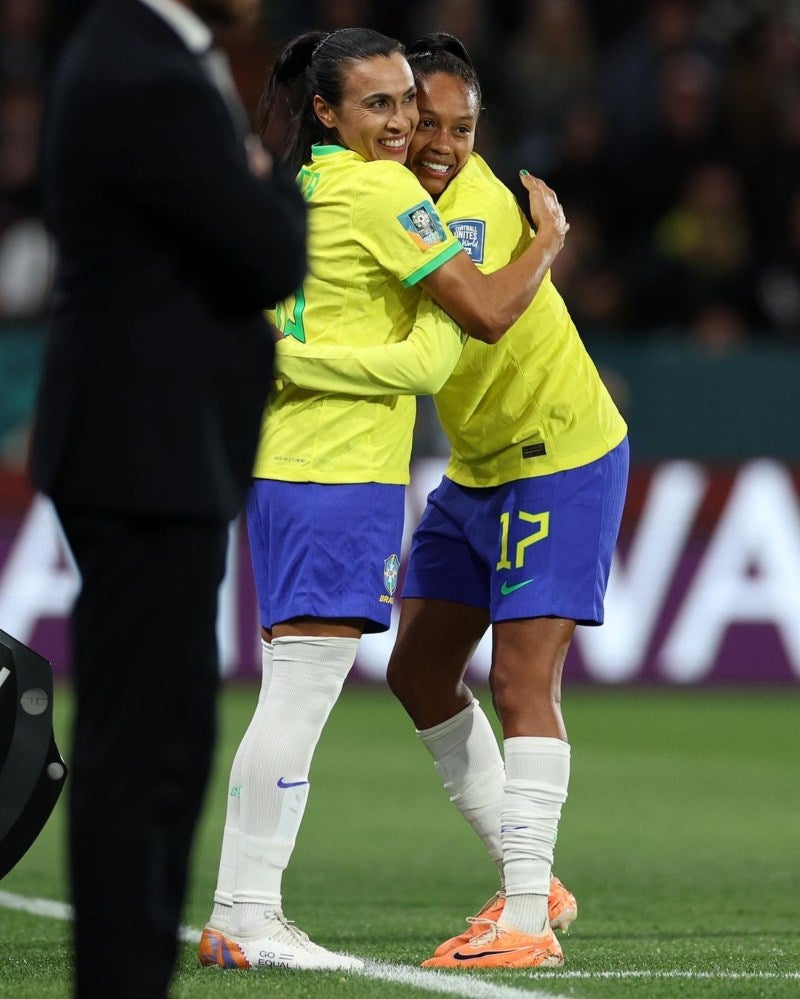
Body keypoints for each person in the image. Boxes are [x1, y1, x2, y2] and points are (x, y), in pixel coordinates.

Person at [198, 26, 569, 973]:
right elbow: (468, 326)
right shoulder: (378, 189)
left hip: (283, 469)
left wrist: (288, 360)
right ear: (327, 111)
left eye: (408, 101)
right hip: (339, 475)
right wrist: (548, 243)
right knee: (299, 696)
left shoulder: (306, 186)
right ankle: (248, 911)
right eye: (379, 104)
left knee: (289, 685)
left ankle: (241, 908)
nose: (404, 123)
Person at [271, 32, 629, 971]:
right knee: (420, 671)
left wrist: (547, 241)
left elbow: (484, 312)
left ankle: (523, 920)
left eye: (462, 128)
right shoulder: (385, 198)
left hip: (560, 456)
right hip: (477, 469)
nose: (438, 144)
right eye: (421, 121)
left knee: (520, 683)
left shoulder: (463, 211)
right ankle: (535, 881)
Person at [28, 1, 307, 996]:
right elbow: (271, 257)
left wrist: (254, 178)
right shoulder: (147, 73)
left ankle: (129, 975)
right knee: (145, 749)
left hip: (148, 449)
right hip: (146, 452)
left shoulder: (128, 56)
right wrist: (270, 182)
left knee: (156, 741)